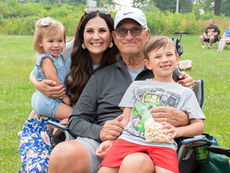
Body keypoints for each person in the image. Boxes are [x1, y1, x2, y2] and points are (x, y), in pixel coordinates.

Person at [48, 7, 195, 173]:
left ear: (147, 34)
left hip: (149, 146)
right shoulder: (101, 76)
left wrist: (183, 118)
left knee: (134, 162)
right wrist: (100, 131)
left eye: (136, 30)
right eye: (123, 31)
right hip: (102, 143)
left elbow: (195, 119)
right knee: (63, 153)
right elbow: (76, 119)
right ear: (115, 37)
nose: (129, 36)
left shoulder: (168, 72)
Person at [19, 9, 118, 173]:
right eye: (90, 31)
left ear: (112, 36)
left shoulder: (118, 60)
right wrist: (37, 83)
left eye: (102, 31)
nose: (96, 36)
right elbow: (41, 67)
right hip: (53, 119)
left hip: (78, 124)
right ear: (82, 35)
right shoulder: (70, 51)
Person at [96, 35, 205, 173]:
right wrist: (111, 140)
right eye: (158, 57)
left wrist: (177, 131)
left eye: (169, 55)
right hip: (129, 140)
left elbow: (199, 126)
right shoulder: (136, 86)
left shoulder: (185, 93)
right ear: (148, 64)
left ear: (177, 59)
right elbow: (126, 119)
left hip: (163, 144)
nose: (164, 60)